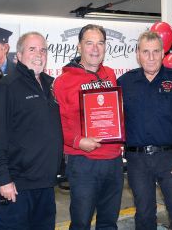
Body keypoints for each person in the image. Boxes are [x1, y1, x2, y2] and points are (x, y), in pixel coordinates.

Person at [117, 31, 172, 230]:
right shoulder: (124, 83)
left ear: (163, 53)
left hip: (171, 159)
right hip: (137, 161)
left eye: (156, 51)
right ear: (137, 54)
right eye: (145, 51)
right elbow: (112, 120)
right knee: (144, 216)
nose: (150, 57)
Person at [0, 32, 63, 229]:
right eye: (32, 49)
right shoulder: (7, 87)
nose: (39, 54)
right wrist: (3, 179)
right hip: (18, 186)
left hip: (45, 184)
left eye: (43, 50)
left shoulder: (50, 85)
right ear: (18, 55)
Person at [53, 24, 124, 230]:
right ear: (79, 47)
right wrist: (77, 141)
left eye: (100, 43)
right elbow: (56, 124)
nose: (95, 48)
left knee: (109, 222)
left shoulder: (110, 74)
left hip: (113, 161)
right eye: (89, 43)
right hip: (83, 163)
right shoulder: (63, 82)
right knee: (81, 223)